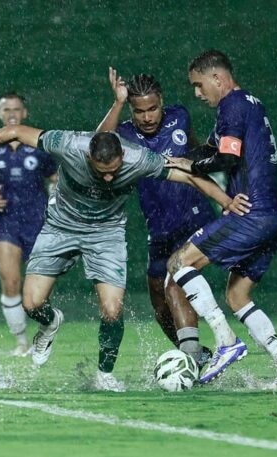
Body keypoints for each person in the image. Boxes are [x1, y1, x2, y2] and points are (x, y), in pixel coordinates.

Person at [0, 126, 249, 392]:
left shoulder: (139, 158)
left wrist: (225, 201)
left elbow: (187, 174)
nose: (111, 177)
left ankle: (105, 373)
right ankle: (50, 324)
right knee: (31, 304)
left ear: (122, 157)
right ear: (89, 157)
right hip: (60, 227)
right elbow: (14, 130)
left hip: (107, 234)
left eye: (115, 169)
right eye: (103, 172)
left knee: (112, 310)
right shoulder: (69, 144)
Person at [165, 49, 277, 389]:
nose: (198, 94)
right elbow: (213, 150)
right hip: (276, 216)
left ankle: (227, 342)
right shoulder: (251, 105)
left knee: (179, 262)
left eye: (199, 85)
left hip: (252, 213)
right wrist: (181, 159)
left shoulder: (233, 104)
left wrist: (193, 167)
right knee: (237, 296)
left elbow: (225, 157)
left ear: (218, 78)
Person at [96, 68, 216, 368]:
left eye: (152, 108)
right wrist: (118, 103)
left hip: (194, 218)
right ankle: (195, 355)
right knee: (159, 305)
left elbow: (197, 147)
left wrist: (208, 168)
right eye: (140, 111)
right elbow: (97, 142)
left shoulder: (180, 116)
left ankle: (190, 357)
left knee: (177, 281)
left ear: (162, 102)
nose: (147, 117)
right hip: (159, 228)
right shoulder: (123, 134)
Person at [0, 92, 57, 356]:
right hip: (6, 220)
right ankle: (22, 343)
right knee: (10, 282)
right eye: (6, 109)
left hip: (39, 222)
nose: (12, 114)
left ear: (25, 113)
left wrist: (56, 201)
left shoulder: (39, 144)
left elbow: (56, 179)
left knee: (37, 292)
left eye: (17, 109)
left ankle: (45, 332)